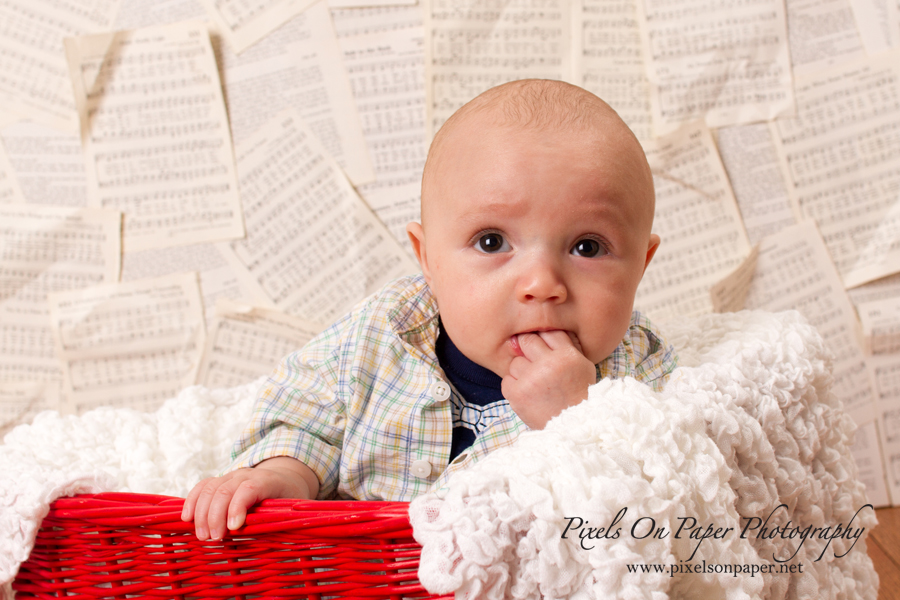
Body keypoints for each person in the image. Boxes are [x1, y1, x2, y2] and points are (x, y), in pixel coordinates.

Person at [182, 79, 677, 542]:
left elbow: (664, 506)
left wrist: (578, 420)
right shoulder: (386, 333)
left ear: (642, 264)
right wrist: (282, 473)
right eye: (491, 241)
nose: (541, 284)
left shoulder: (638, 375)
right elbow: (306, 414)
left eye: (588, 247)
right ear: (428, 259)